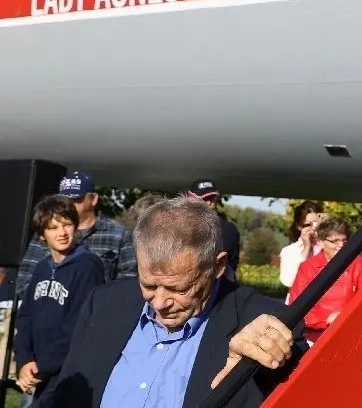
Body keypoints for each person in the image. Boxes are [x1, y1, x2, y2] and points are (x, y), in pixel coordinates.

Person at [49, 196, 306, 408]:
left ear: (217, 266)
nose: (159, 303)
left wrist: (266, 360)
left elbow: (307, 389)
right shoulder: (104, 302)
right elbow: (67, 395)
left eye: (178, 288)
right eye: (148, 284)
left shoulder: (262, 320)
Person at [13, 195, 105, 405]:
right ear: (42, 235)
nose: (62, 233)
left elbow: (78, 325)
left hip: (68, 372)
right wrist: (25, 360)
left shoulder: (87, 267)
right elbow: (25, 317)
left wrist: (41, 367)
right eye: (53, 227)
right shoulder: (41, 268)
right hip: (36, 369)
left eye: (66, 225)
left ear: (76, 226)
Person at [16, 171, 136, 301]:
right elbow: (25, 280)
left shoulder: (119, 234)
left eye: (76, 199)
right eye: (64, 199)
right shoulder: (47, 232)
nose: (68, 203)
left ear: (93, 199)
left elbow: (128, 283)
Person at [286, 216, 362, 344]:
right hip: (315, 339)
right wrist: (326, 320)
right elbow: (297, 306)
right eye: (334, 241)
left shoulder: (358, 264)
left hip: (351, 334)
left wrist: (346, 318)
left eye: (344, 241)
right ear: (321, 242)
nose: (340, 245)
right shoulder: (307, 268)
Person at [187, 179, 241, 281]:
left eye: (212, 198)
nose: (209, 202)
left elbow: (232, 263)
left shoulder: (228, 230)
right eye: (204, 198)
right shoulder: (177, 226)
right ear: (190, 200)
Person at [279, 201, 324, 294]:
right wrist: (306, 248)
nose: (313, 228)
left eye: (316, 224)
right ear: (299, 226)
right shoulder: (289, 251)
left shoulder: (328, 247)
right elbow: (289, 281)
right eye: (308, 225)